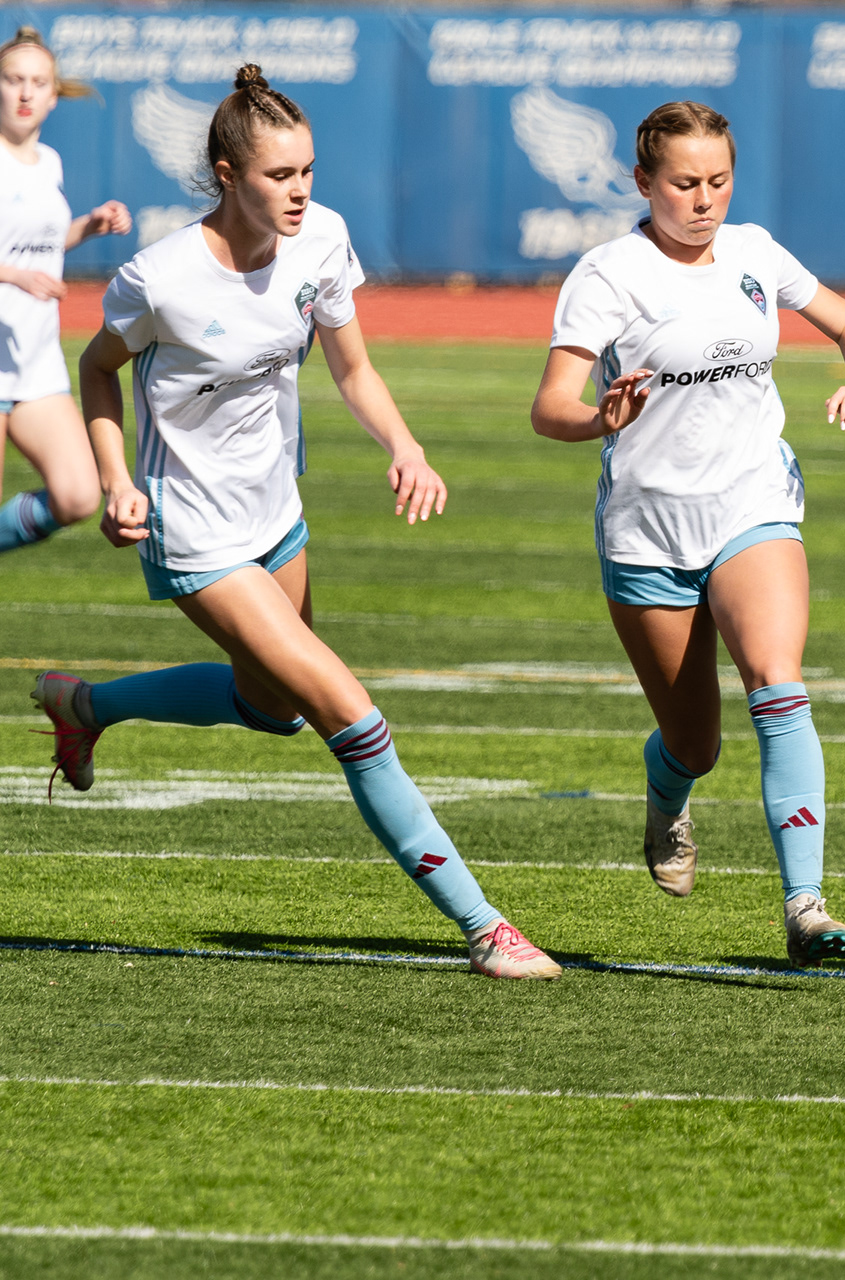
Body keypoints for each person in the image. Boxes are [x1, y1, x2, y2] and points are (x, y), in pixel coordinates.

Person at [33, 65, 561, 980]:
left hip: (278, 511)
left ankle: (86, 707)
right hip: (195, 531)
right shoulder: (161, 278)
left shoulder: (322, 240)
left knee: (270, 708)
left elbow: (353, 369)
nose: (300, 190)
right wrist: (116, 481)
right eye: (280, 175)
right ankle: (487, 929)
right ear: (227, 175)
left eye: (308, 170)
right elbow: (96, 368)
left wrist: (405, 446)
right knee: (350, 715)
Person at [530, 100, 845, 967]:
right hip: (648, 530)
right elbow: (550, 408)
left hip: (752, 501)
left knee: (777, 681)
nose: (704, 200)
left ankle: (805, 904)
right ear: (643, 182)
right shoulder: (609, 275)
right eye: (684, 183)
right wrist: (599, 419)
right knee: (695, 742)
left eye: (719, 181)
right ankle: (666, 799)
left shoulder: (755, 251)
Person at [0, 26, 129, 553]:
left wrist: (89, 226)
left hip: (34, 361)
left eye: (38, 83)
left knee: (78, 494)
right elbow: (18, 261)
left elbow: (40, 244)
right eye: (13, 80)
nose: (25, 93)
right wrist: (13, 275)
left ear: (54, 96)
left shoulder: (48, 161)